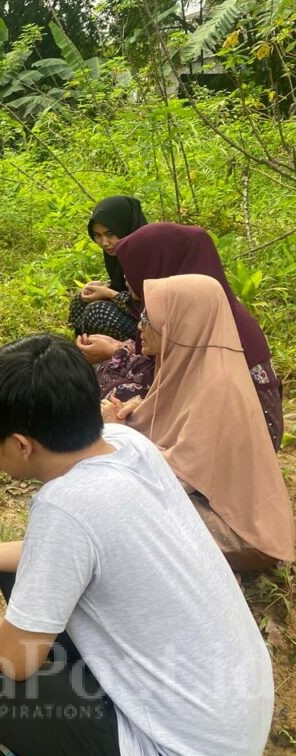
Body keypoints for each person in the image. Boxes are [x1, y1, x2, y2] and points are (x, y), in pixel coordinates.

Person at [0, 334, 273, 756]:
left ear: (22, 445)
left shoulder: (66, 502)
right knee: (17, 577)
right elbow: (81, 548)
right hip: (228, 718)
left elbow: (15, 659)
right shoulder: (126, 445)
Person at [102, 274, 294, 571]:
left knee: (121, 510)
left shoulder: (218, 385)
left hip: (243, 536)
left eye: (149, 318)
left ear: (181, 323)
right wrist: (133, 415)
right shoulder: (196, 362)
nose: (140, 327)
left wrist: (115, 432)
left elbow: (171, 481)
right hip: (215, 507)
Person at [78, 222, 283, 450]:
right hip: (208, 420)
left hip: (240, 440)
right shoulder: (203, 308)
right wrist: (120, 348)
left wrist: (137, 411)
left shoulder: (211, 327)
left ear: (162, 269)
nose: (127, 279)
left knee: (114, 396)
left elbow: (196, 405)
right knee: (114, 379)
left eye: (135, 269)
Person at [67, 196, 147, 339]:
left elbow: (145, 304)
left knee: (97, 312)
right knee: (81, 298)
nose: (104, 242)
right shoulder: (119, 252)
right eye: (97, 235)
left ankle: (124, 354)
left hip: (152, 325)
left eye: (110, 234)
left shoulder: (145, 252)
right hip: (134, 312)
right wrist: (107, 287)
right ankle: (82, 348)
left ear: (125, 227)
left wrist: (108, 293)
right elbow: (123, 287)